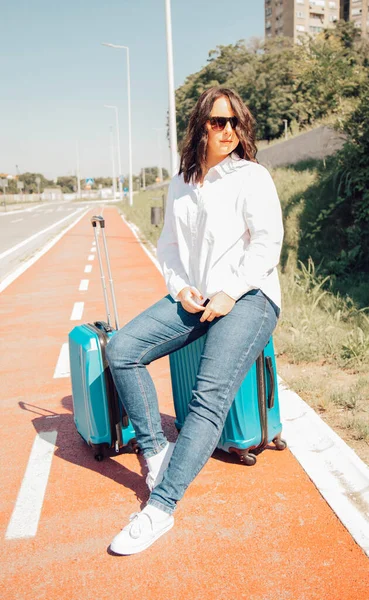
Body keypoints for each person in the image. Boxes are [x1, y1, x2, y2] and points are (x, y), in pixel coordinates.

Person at [106, 86, 284, 555]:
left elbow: (267, 244)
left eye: (235, 122)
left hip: (251, 295)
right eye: (218, 122)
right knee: (121, 350)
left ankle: (160, 508)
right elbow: (168, 247)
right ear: (200, 125)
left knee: (208, 397)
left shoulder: (251, 176)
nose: (229, 130)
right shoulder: (181, 181)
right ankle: (154, 449)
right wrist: (180, 286)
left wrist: (230, 292)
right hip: (197, 298)